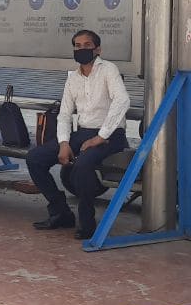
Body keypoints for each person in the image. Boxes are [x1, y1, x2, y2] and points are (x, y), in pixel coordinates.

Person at [26, 30, 131, 240]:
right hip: (82, 133)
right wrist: (64, 143)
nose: (81, 49)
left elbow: (122, 101)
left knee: (83, 165)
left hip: (111, 135)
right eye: (77, 45)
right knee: (35, 158)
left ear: (97, 49)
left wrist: (100, 136)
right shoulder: (72, 77)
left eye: (87, 45)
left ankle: (87, 223)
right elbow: (64, 114)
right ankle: (60, 211)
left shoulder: (109, 70)